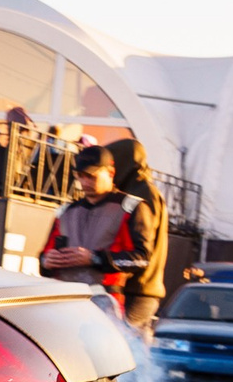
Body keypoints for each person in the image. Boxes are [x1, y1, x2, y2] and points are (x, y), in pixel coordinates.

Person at [40, 146, 159, 324]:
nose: (85, 182)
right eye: (81, 176)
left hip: (106, 303)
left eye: (91, 176)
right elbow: (43, 257)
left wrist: (95, 259)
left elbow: (142, 259)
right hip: (64, 301)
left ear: (111, 173)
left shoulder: (131, 207)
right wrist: (46, 262)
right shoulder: (66, 211)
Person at [101, 136, 170, 331]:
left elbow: (140, 245)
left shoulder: (142, 193)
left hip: (137, 289)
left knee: (116, 342)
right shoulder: (140, 189)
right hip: (140, 289)